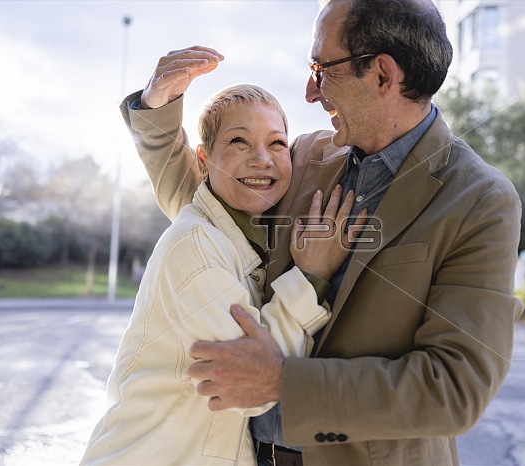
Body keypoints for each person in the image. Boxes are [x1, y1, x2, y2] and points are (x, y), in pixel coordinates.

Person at [120, 0, 524, 464]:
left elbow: (453, 388)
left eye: (321, 69)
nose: (311, 92)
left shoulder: (480, 199)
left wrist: (281, 382)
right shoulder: (304, 157)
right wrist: (157, 110)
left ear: (382, 75)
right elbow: (209, 204)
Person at [82, 82, 365, 465]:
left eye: (277, 143)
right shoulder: (196, 248)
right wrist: (311, 276)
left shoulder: (242, 238)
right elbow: (248, 383)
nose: (261, 159)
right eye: (239, 142)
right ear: (203, 160)